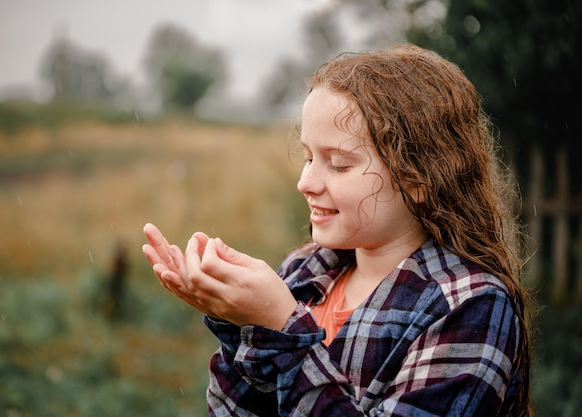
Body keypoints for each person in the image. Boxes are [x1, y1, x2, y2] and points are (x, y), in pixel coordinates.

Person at [142, 44, 534, 417]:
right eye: (309, 157)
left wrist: (282, 330)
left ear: (418, 177)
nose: (306, 182)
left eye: (339, 164)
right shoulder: (304, 271)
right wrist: (242, 322)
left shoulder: (469, 305)